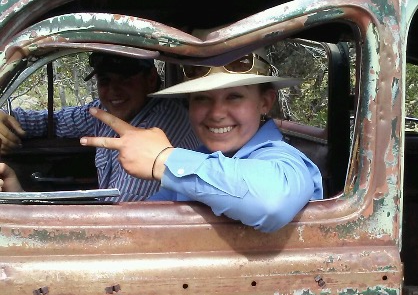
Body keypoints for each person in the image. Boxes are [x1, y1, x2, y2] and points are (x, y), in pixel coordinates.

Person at [79, 50, 323, 232]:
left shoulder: (284, 159)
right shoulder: (199, 159)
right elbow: (147, 220)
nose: (216, 113)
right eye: (202, 98)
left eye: (234, 97)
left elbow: (271, 202)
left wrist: (163, 159)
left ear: (265, 103)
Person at [0, 53, 199, 200]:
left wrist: (22, 200)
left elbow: (120, 218)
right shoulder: (105, 112)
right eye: (105, 81)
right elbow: (52, 121)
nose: (114, 90)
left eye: (125, 79)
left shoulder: (161, 123)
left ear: (151, 79)